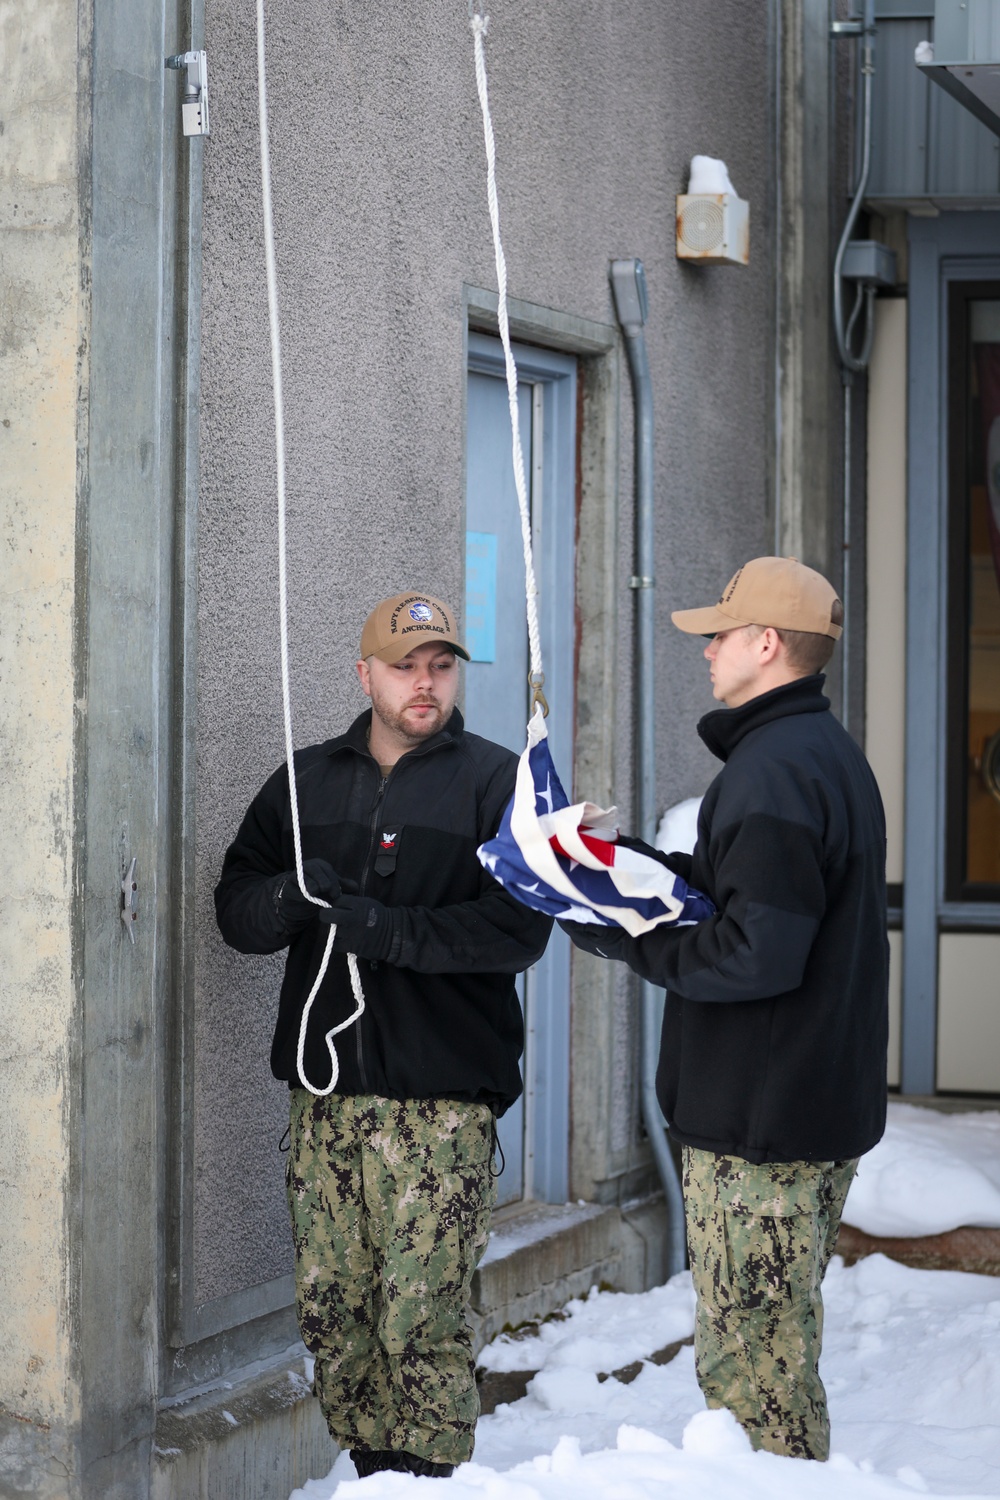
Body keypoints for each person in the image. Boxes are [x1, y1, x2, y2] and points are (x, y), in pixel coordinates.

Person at [215, 591, 551, 1478]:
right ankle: (372, 1480)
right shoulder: (307, 779)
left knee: (422, 1320)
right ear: (364, 673)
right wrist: (291, 897)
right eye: (405, 665)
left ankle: (431, 1484)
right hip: (327, 1100)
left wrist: (389, 932)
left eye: (441, 665)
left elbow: (520, 929)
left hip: (440, 1106)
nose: (425, 683)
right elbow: (235, 909)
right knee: (336, 1315)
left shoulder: (496, 779)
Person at [562, 556, 888, 1461]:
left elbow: (756, 954)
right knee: (770, 1363)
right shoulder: (814, 755)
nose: (706, 649)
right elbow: (739, 902)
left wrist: (630, 941)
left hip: (764, 1132)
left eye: (721, 632)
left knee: (756, 1388)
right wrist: (616, 868)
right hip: (797, 1114)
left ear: (768, 643)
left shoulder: (773, 773)